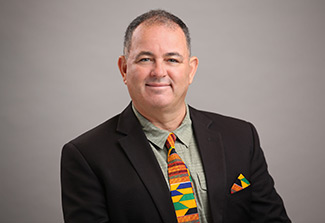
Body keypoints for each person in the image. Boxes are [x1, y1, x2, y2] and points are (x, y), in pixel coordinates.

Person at [61, 9, 291, 223]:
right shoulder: (86, 156)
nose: (159, 72)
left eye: (172, 59)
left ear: (191, 70)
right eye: (145, 59)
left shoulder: (241, 137)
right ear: (124, 69)